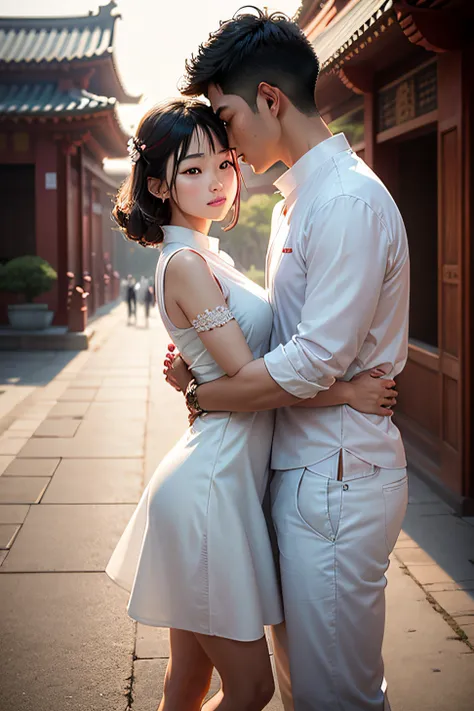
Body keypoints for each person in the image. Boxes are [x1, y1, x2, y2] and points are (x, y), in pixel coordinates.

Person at [105, 98, 398, 711]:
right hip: (211, 487)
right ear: (158, 184)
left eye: (223, 163)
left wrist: (193, 382)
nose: (215, 182)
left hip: (224, 478)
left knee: (188, 677)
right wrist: (347, 390)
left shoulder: (209, 257)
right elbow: (248, 376)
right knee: (252, 687)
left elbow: (230, 373)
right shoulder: (186, 262)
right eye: (192, 170)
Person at [165, 8, 410, 711]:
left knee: (337, 694)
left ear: (270, 98)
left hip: (336, 477)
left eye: (228, 115)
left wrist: (209, 397)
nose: (227, 141)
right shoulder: (297, 203)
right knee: (310, 685)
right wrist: (204, 367)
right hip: (304, 470)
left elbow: (311, 362)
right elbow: (294, 349)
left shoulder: (346, 203)